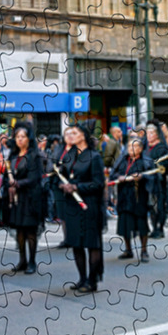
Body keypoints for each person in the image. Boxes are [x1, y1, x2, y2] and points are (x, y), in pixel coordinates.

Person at [56, 124, 106, 294]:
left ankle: (92, 281)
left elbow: (99, 184)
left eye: (75, 133)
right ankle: (82, 278)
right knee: (76, 243)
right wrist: (63, 186)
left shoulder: (94, 157)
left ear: (84, 135)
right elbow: (60, 176)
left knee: (91, 243)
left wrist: (76, 187)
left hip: (89, 205)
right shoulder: (69, 155)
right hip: (71, 205)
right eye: (69, 133)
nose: (71, 135)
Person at [5, 121, 46, 275]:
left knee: (30, 231)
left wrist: (17, 183)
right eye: (17, 136)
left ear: (29, 138)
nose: (20, 139)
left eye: (23, 136)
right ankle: (22, 260)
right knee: (20, 230)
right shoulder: (13, 155)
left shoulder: (34, 155)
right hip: (16, 198)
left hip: (30, 197)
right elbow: (6, 175)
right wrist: (8, 184)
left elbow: (34, 178)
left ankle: (32, 262)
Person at [110, 137, 151, 262]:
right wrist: (120, 177)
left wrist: (142, 177)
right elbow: (113, 174)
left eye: (134, 147)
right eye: (129, 147)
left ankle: (144, 251)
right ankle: (128, 250)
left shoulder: (146, 161)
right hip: (124, 195)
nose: (131, 149)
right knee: (125, 224)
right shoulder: (122, 160)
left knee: (141, 224)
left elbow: (153, 176)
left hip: (139, 196)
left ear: (140, 148)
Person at [143, 123, 168, 241]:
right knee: (150, 205)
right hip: (147, 181)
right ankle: (154, 228)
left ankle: (160, 228)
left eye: (151, 133)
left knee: (159, 205)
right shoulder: (145, 147)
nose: (149, 135)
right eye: (147, 133)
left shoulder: (162, 147)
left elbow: (166, 165)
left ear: (157, 134)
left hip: (158, 182)